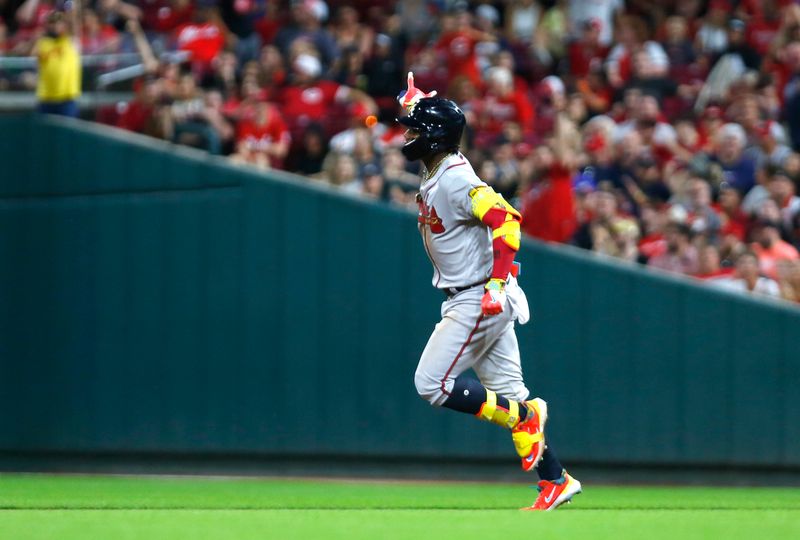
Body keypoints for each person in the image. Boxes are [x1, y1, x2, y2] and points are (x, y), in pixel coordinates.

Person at [396, 73, 581, 511]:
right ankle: (555, 478)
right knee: (508, 390)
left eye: (416, 129)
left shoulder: (455, 177)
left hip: (478, 293)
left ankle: (524, 419)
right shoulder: (439, 171)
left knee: (432, 383)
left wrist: (496, 284)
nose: (408, 135)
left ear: (435, 137)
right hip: (477, 291)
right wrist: (416, 105)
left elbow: (506, 220)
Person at [34, 8, 81, 117]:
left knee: (67, 133)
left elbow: (74, 24)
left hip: (66, 100)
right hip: (46, 99)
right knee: (44, 134)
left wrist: (70, 6)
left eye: (59, 22)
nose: (55, 25)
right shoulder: (43, 43)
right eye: (52, 22)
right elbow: (30, 54)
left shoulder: (70, 41)